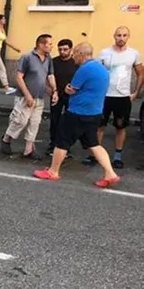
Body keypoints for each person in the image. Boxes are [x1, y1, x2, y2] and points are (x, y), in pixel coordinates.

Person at [33, 42, 120, 188]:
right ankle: (110, 173)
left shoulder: (84, 69)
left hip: (78, 112)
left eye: (75, 54)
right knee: (94, 144)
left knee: (62, 141)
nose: (73, 57)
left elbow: (71, 89)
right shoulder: (101, 68)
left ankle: (53, 171)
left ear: (81, 54)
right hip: (95, 112)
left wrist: (67, 89)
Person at [83, 26, 143, 169]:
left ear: (128, 37)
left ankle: (117, 157)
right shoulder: (104, 53)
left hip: (122, 97)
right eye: (118, 35)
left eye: (124, 35)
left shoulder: (133, 54)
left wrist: (135, 92)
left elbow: (141, 73)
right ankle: (94, 155)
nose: (121, 38)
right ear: (114, 36)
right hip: (104, 96)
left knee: (120, 127)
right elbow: (96, 71)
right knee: (99, 126)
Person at [0, 34, 57, 160]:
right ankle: (6, 139)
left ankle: (28, 150)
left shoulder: (48, 59)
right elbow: (19, 77)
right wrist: (27, 95)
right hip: (25, 97)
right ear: (41, 45)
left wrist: (54, 91)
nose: (52, 46)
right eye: (50, 44)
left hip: (39, 97)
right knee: (20, 121)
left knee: (34, 123)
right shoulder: (27, 57)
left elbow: (50, 76)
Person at [46, 38, 77, 157]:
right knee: (55, 120)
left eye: (65, 49)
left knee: (69, 121)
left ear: (71, 49)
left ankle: (66, 146)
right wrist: (50, 90)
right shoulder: (53, 62)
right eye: (60, 50)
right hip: (56, 95)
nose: (62, 52)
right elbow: (48, 77)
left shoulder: (75, 63)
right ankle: (53, 144)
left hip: (71, 96)